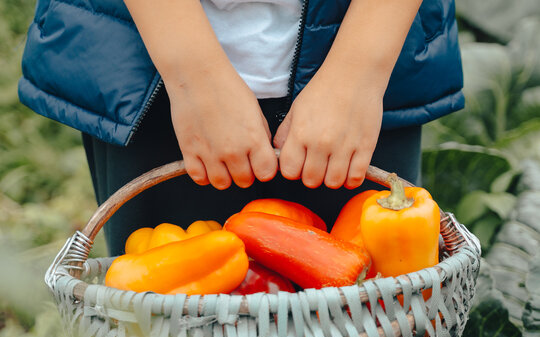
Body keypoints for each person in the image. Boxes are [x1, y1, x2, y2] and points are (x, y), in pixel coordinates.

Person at [19, 0, 464, 256]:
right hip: (150, 62)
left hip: (369, 58)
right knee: (163, 333)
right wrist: (191, 72)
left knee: (381, 330)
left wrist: (360, 72)